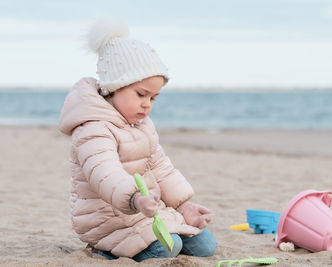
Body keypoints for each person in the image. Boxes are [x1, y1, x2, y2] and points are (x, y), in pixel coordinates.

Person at [58, 17, 217, 261]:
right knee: (167, 248)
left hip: (146, 211)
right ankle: (105, 249)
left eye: (154, 98)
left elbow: (161, 168)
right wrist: (134, 198)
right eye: (141, 94)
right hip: (108, 218)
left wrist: (184, 206)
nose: (147, 104)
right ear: (113, 87)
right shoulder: (93, 129)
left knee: (206, 246)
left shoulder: (142, 126)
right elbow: (104, 174)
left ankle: (162, 228)